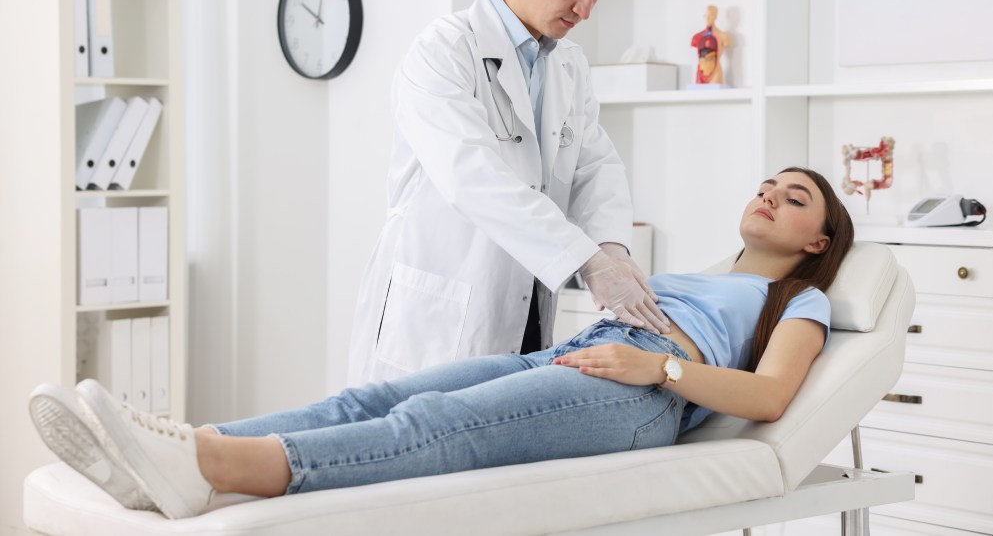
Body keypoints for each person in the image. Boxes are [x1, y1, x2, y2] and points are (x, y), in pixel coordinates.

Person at [31, 167, 854, 520]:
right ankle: (172, 448)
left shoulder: (801, 299)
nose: (770, 196)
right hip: (583, 356)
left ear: (818, 240)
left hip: (636, 393)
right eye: (766, 185)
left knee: (432, 426)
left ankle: (210, 466)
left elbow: (771, 395)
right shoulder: (701, 274)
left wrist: (659, 365)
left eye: (794, 198)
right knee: (372, 397)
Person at [348, 0, 668, 386]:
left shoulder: (568, 64)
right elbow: (472, 178)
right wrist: (587, 260)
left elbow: (595, 166)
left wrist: (612, 251)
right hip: (440, 315)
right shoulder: (444, 51)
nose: (586, 9)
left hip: (527, 307)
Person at [690, 4, 732, 85]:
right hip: (701, 72)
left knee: (714, 91)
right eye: (706, 15)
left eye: (711, 15)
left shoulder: (724, 36)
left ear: (716, 16)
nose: (708, 18)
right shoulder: (697, 37)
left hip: (716, 72)